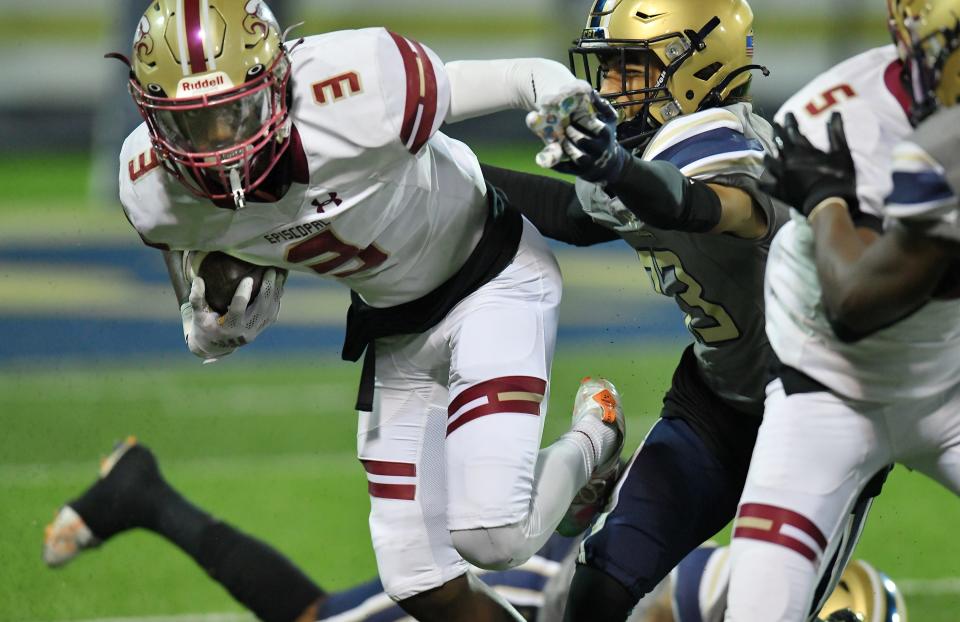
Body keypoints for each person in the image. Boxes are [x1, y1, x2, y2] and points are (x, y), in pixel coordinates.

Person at [109, 2, 628, 620]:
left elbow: (524, 76)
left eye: (234, 112)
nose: (222, 144)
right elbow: (204, 326)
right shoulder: (154, 193)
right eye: (193, 125)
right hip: (396, 328)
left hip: (492, 279)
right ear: (153, 119)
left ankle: (598, 434)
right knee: (421, 582)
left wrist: (569, 109)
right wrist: (219, 319)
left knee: (492, 537)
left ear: (278, 80)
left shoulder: (360, 88)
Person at [479, 1, 791, 619]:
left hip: (813, 412)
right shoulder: (641, 158)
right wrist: (443, 167)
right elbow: (574, 215)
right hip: (716, 406)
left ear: (697, 67)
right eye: (612, 69)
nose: (613, 89)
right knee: (598, 589)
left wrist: (620, 170)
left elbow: (700, 205)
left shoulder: (733, 144)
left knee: (765, 605)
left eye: (630, 67)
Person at [44, 439, 907, 622]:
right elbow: (693, 588)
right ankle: (145, 496)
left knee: (312, 612)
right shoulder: (729, 594)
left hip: (536, 578)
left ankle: (142, 493)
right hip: (512, 595)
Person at [724, 1, 960, 620]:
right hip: (826, 388)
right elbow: (852, 304)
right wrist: (830, 196)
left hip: (949, 376)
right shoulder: (840, 115)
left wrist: (826, 193)